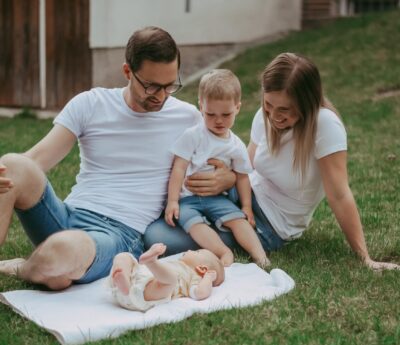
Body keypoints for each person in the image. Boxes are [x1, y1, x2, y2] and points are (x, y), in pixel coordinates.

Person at [0, 26, 235, 289]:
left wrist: (229, 177)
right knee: (11, 165)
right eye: (151, 86)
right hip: (67, 215)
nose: (161, 96)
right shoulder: (90, 104)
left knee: (60, 255)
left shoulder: (187, 118)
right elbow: (35, 160)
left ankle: (26, 266)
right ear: (127, 72)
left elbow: (228, 155)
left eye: (169, 86)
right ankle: (52, 263)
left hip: (116, 235)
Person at [145, 52, 399, 271]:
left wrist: (365, 257)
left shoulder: (324, 125)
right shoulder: (264, 115)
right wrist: (227, 179)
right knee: (164, 213)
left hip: (270, 224)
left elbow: (340, 194)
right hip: (242, 197)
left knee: (160, 236)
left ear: (306, 103)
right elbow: (248, 165)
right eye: (269, 105)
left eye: (284, 110)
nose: (274, 116)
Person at [165, 69, 269, 267]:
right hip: (188, 199)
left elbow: (242, 176)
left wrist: (246, 206)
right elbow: (178, 167)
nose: (218, 120)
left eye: (226, 114)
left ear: (238, 108)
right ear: (201, 106)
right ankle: (223, 251)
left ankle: (260, 256)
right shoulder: (194, 135)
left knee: (238, 220)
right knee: (194, 224)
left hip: (217, 198)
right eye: (210, 114)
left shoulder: (236, 144)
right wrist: (172, 201)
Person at [110, 243, 224, 311]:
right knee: (124, 256)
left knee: (171, 280)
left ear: (202, 268)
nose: (190, 250)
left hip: (147, 294)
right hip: (132, 284)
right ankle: (124, 280)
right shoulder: (175, 264)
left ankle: (151, 262)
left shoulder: (194, 276)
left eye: (196, 252)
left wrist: (208, 278)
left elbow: (200, 293)